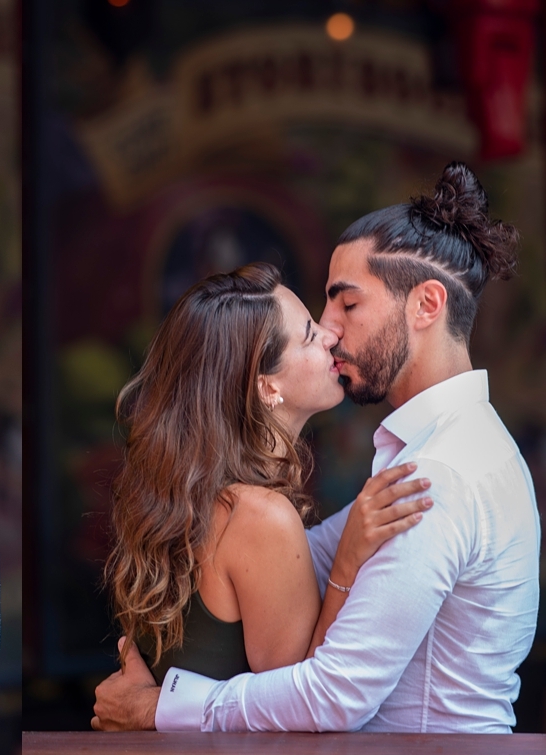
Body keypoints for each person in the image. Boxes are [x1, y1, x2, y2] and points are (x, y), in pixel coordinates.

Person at [93, 162, 540, 733]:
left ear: (427, 305)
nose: (329, 329)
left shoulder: (438, 475)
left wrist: (159, 707)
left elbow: (334, 696)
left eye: (346, 305)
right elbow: (294, 559)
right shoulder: (440, 453)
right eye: (318, 317)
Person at [101, 264, 433, 705]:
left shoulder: (189, 495)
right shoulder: (258, 516)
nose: (331, 336)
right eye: (311, 335)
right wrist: (347, 563)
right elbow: (300, 705)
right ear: (266, 385)